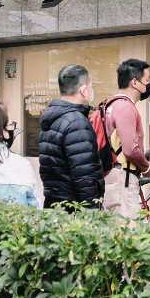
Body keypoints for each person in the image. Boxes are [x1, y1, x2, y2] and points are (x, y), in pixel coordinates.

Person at [39, 64, 104, 210]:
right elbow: (84, 175)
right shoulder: (77, 123)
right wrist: (93, 210)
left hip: (54, 204)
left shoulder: (52, 118)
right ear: (84, 90)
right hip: (73, 208)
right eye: (90, 86)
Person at [103, 58, 150, 217]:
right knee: (127, 232)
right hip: (123, 179)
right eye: (146, 80)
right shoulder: (126, 107)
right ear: (135, 83)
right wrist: (147, 168)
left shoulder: (109, 105)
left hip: (110, 175)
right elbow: (131, 150)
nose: (148, 85)